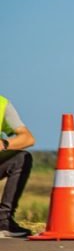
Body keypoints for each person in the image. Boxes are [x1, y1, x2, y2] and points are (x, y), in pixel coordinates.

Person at [0, 96, 35, 238]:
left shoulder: (2, 103)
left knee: (22, 158)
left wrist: (4, 144)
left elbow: (28, 138)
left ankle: (3, 222)